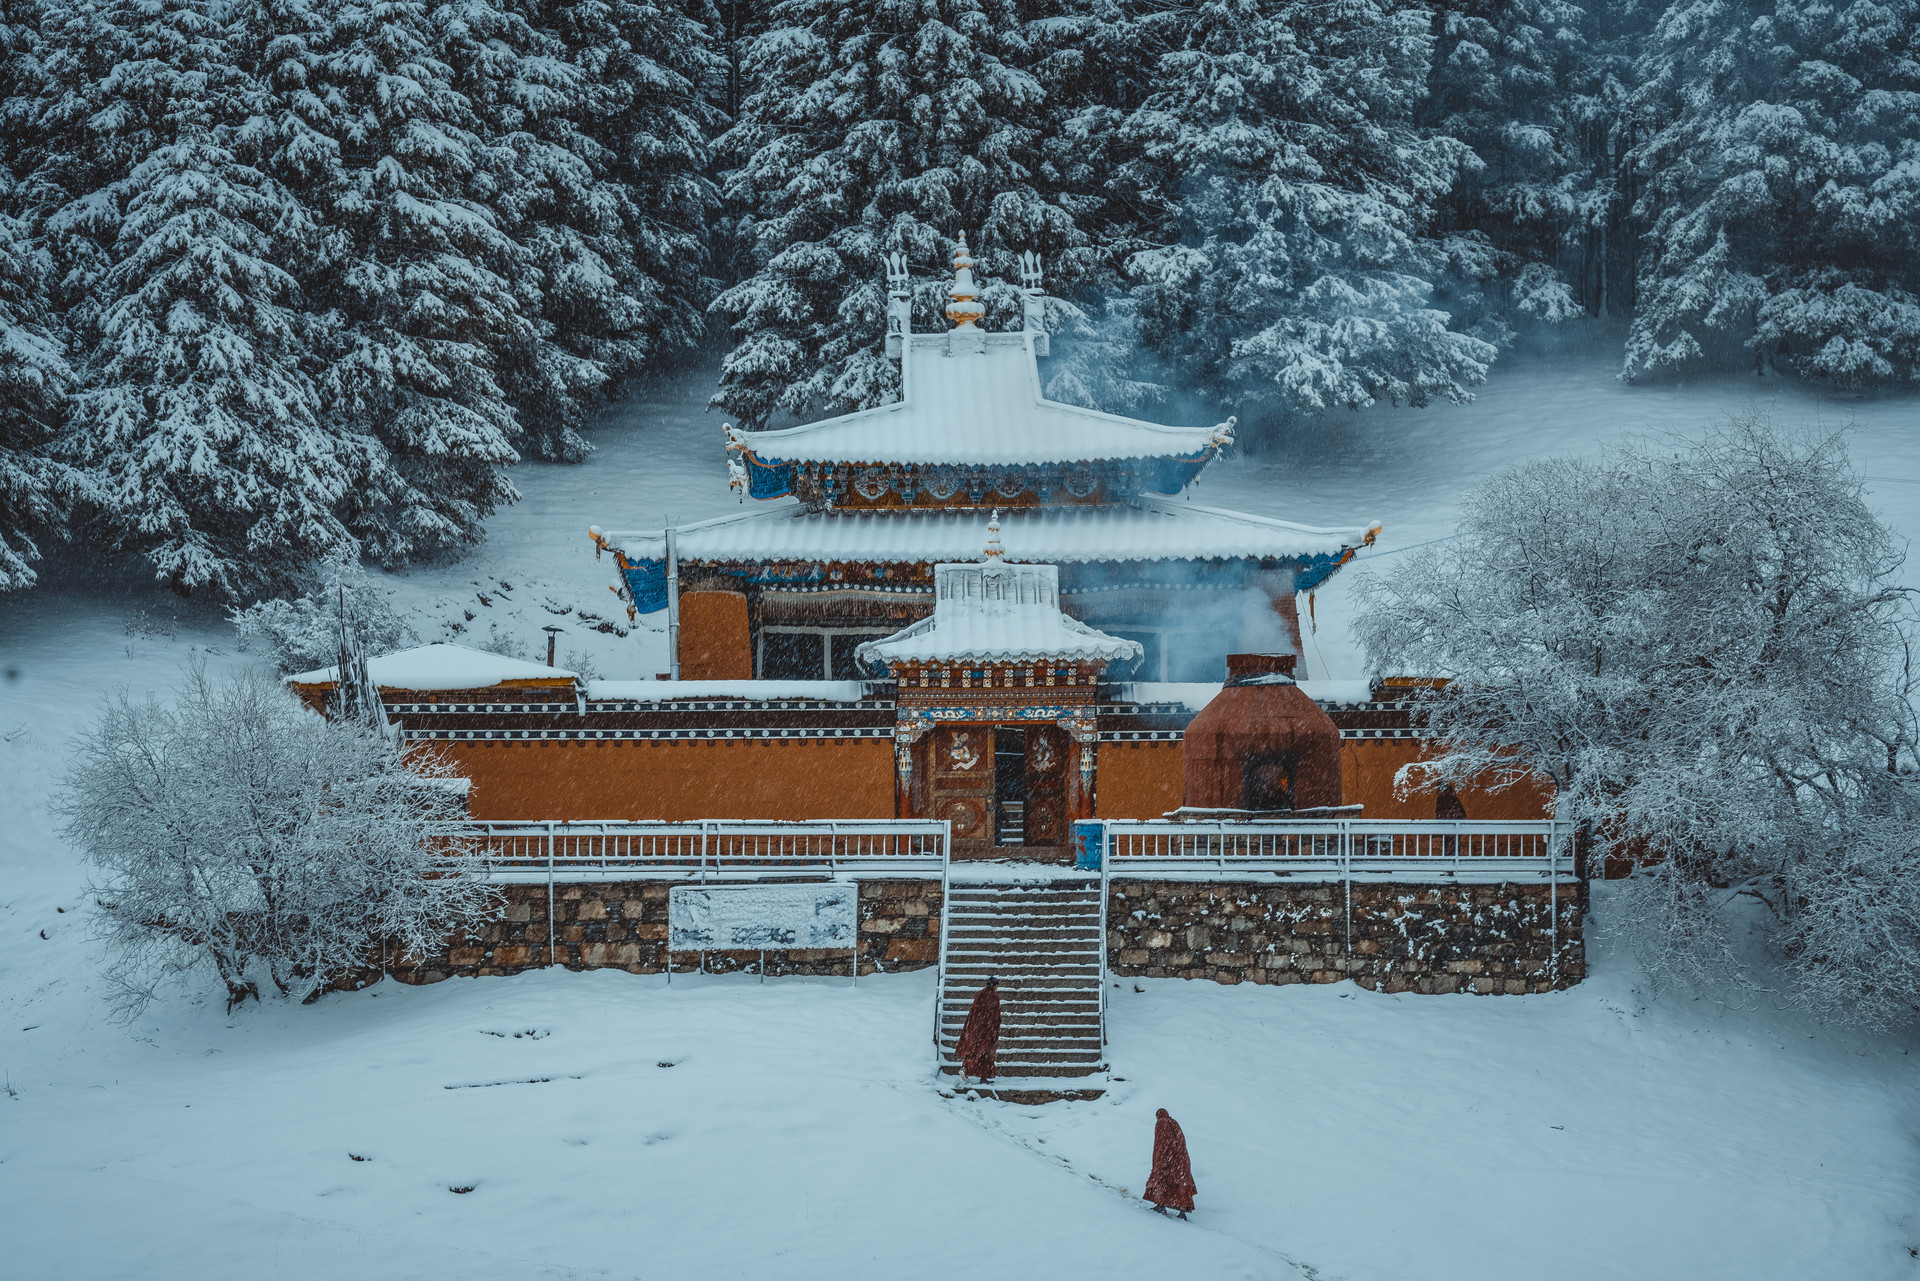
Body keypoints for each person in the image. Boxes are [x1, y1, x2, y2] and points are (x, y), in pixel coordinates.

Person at [1143, 1108, 1196, 1218]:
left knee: (1163, 1180)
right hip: (1181, 1159)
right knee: (1181, 1182)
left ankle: (1161, 1205)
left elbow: (1161, 1143)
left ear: (1158, 1116)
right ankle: (1182, 1211)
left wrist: (1159, 1160)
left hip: (1168, 1158)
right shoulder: (1174, 1123)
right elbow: (1180, 1141)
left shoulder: (1161, 1123)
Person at [956, 975, 1000, 1082]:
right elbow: (995, 1015)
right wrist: (994, 1026)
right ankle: (983, 1077)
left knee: (973, 1050)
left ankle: (965, 1068)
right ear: (994, 986)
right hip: (986, 1028)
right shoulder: (993, 996)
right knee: (985, 1053)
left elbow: (974, 1010)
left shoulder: (980, 994)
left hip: (974, 1027)